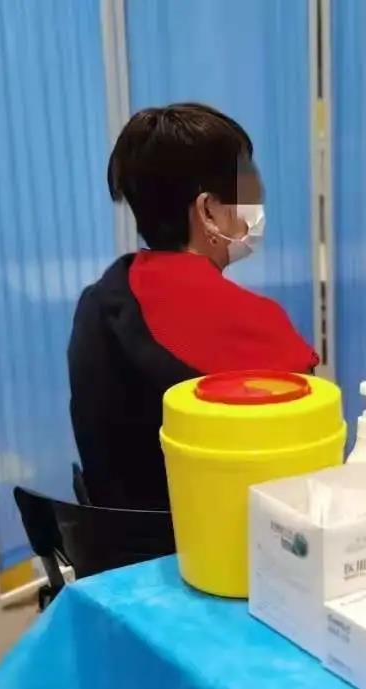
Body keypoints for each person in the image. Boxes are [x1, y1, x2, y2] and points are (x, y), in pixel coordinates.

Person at [69, 103, 318, 510]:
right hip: (220, 541)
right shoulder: (254, 322)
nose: (257, 203)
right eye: (246, 191)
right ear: (207, 211)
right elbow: (311, 455)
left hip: (117, 544)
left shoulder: (99, 300)